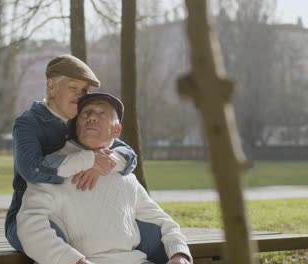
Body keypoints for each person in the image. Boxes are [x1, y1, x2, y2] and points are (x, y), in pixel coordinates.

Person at [5, 54, 168, 263]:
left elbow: (127, 153)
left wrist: (103, 164)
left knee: (154, 237)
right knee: (52, 245)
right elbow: (32, 170)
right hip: (30, 215)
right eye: (74, 87)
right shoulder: (27, 122)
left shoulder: (79, 117)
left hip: (77, 214)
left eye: (84, 90)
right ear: (51, 86)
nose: (80, 95)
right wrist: (89, 159)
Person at [17, 93, 193, 264]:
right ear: (77, 124)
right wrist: (74, 261)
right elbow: (30, 226)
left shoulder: (125, 176)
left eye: (102, 113)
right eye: (86, 112)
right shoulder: (55, 170)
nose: (92, 117)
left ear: (116, 130)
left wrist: (180, 254)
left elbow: (163, 222)